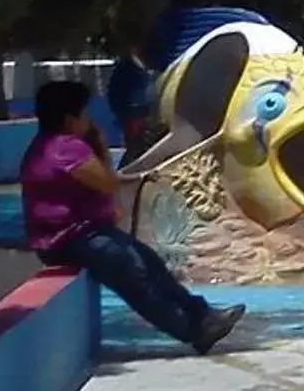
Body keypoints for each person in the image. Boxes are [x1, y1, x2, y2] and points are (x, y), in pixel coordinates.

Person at [22, 80, 244, 354]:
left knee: (150, 262)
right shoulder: (67, 148)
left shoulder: (43, 145)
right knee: (134, 274)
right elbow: (108, 183)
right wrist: (101, 145)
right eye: (85, 114)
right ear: (70, 119)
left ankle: (202, 316)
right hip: (72, 239)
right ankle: (193, 329)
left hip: (77, 235)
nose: (89, 120)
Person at [105, 38, 156, 157]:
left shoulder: (140, 67)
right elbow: (117, 95)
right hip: (133, 116)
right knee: (135, 149)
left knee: (142, 148)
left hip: (139, 116)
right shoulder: (127, 68)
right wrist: (128, 114)